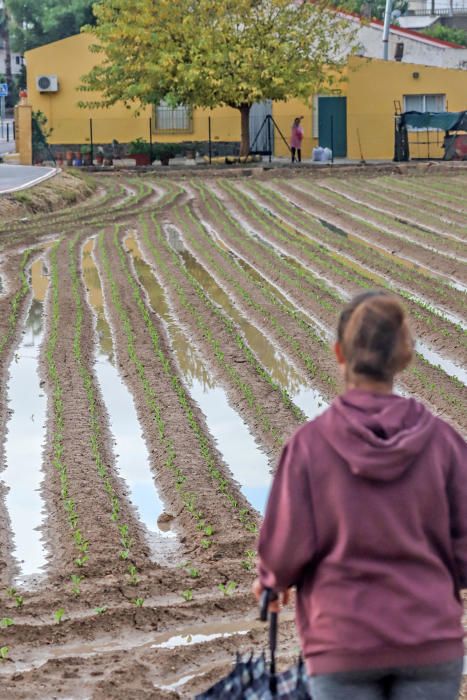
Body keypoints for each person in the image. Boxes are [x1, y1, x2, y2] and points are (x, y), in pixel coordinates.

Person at [254, 290, 466, 700]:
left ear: (339, 352)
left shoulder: (309, 446)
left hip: (342, 646)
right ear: (403, 357)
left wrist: (272, 581)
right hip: (430, 642)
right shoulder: (443, 443)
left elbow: (282, 554)